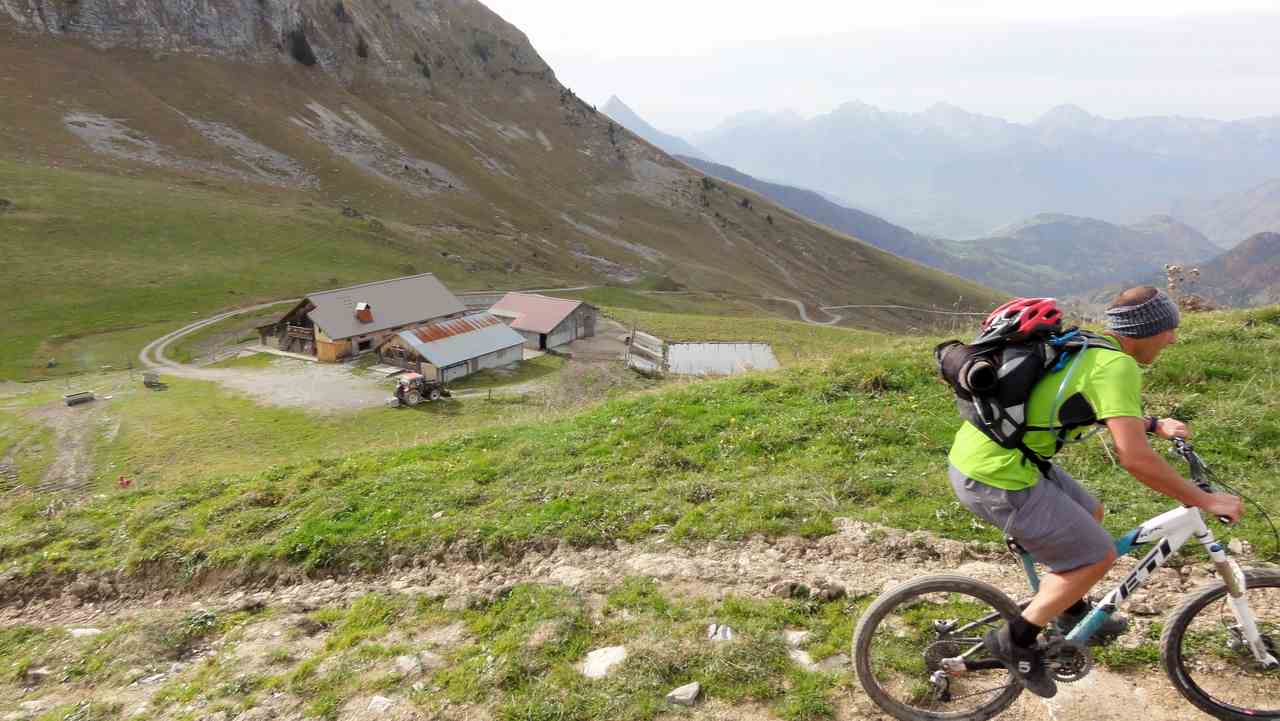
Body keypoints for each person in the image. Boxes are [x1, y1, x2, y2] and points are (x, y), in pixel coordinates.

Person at [947, 286, 1244, 698]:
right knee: (1097, 555)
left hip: (996, 458)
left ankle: (1069, 611)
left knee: (1093, 514)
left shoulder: (1091, 345)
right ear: (1143, 330)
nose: (1173, 339)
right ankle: (1015, 641)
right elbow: (1134, 459)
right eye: (1167, 330)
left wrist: (1154, 424)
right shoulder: (1117, 366)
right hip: (997, 476)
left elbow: (1079, 400)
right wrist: (1204, 499)